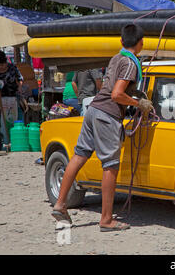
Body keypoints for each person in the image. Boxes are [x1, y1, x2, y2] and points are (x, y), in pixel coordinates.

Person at [52, 23, 153, 232]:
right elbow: (116, 94)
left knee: (79, 156)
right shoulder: (131, 64)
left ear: (121, 41)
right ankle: (106, 220)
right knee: (111, 165)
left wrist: (132, 98)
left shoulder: (116, 58)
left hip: (93, 110)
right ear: (141, 43)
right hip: (107, 115)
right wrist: (139, 103)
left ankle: (60, 204)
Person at [0, 51, 23, 144]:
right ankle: (5, 141)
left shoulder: (12, 68)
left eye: (2, 64)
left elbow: (20, 79)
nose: (0, 67)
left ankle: (15, 140)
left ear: (6, 63)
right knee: (2, 121)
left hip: (13, 97)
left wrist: (19, 88)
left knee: (13, 119)